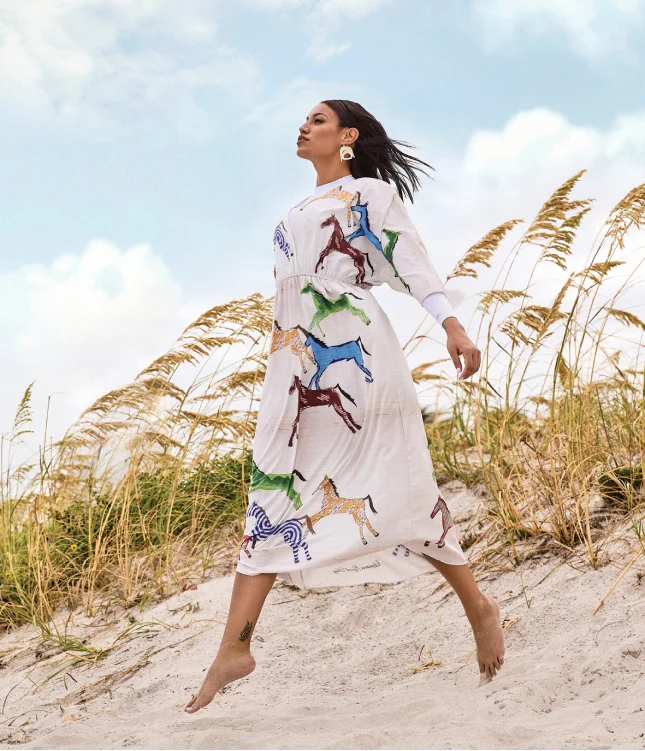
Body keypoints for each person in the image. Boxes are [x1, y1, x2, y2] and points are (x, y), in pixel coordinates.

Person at [185, 100, 505, 714]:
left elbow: (412, 265)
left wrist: (453, 326)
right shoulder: (293, 212)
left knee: (398, 491)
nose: (303, 127)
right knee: (272, 486)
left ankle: (478, 606)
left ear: (348, 137)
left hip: (355, 353)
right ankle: (235, 648)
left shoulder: (370, 196)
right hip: (295, 364)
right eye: (303, 120)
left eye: (319, 120)